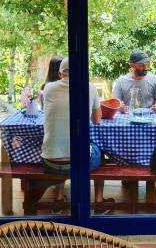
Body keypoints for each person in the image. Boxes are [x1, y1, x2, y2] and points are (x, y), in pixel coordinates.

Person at [41, 57, 111, 209]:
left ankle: (59, 199)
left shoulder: (48, 88)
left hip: (50, 163)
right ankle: (99, 201)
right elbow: (97, 120)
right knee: (100, 151)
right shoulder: (89, 87)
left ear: (60, 74)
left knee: (61, 147)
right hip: (80, 164)